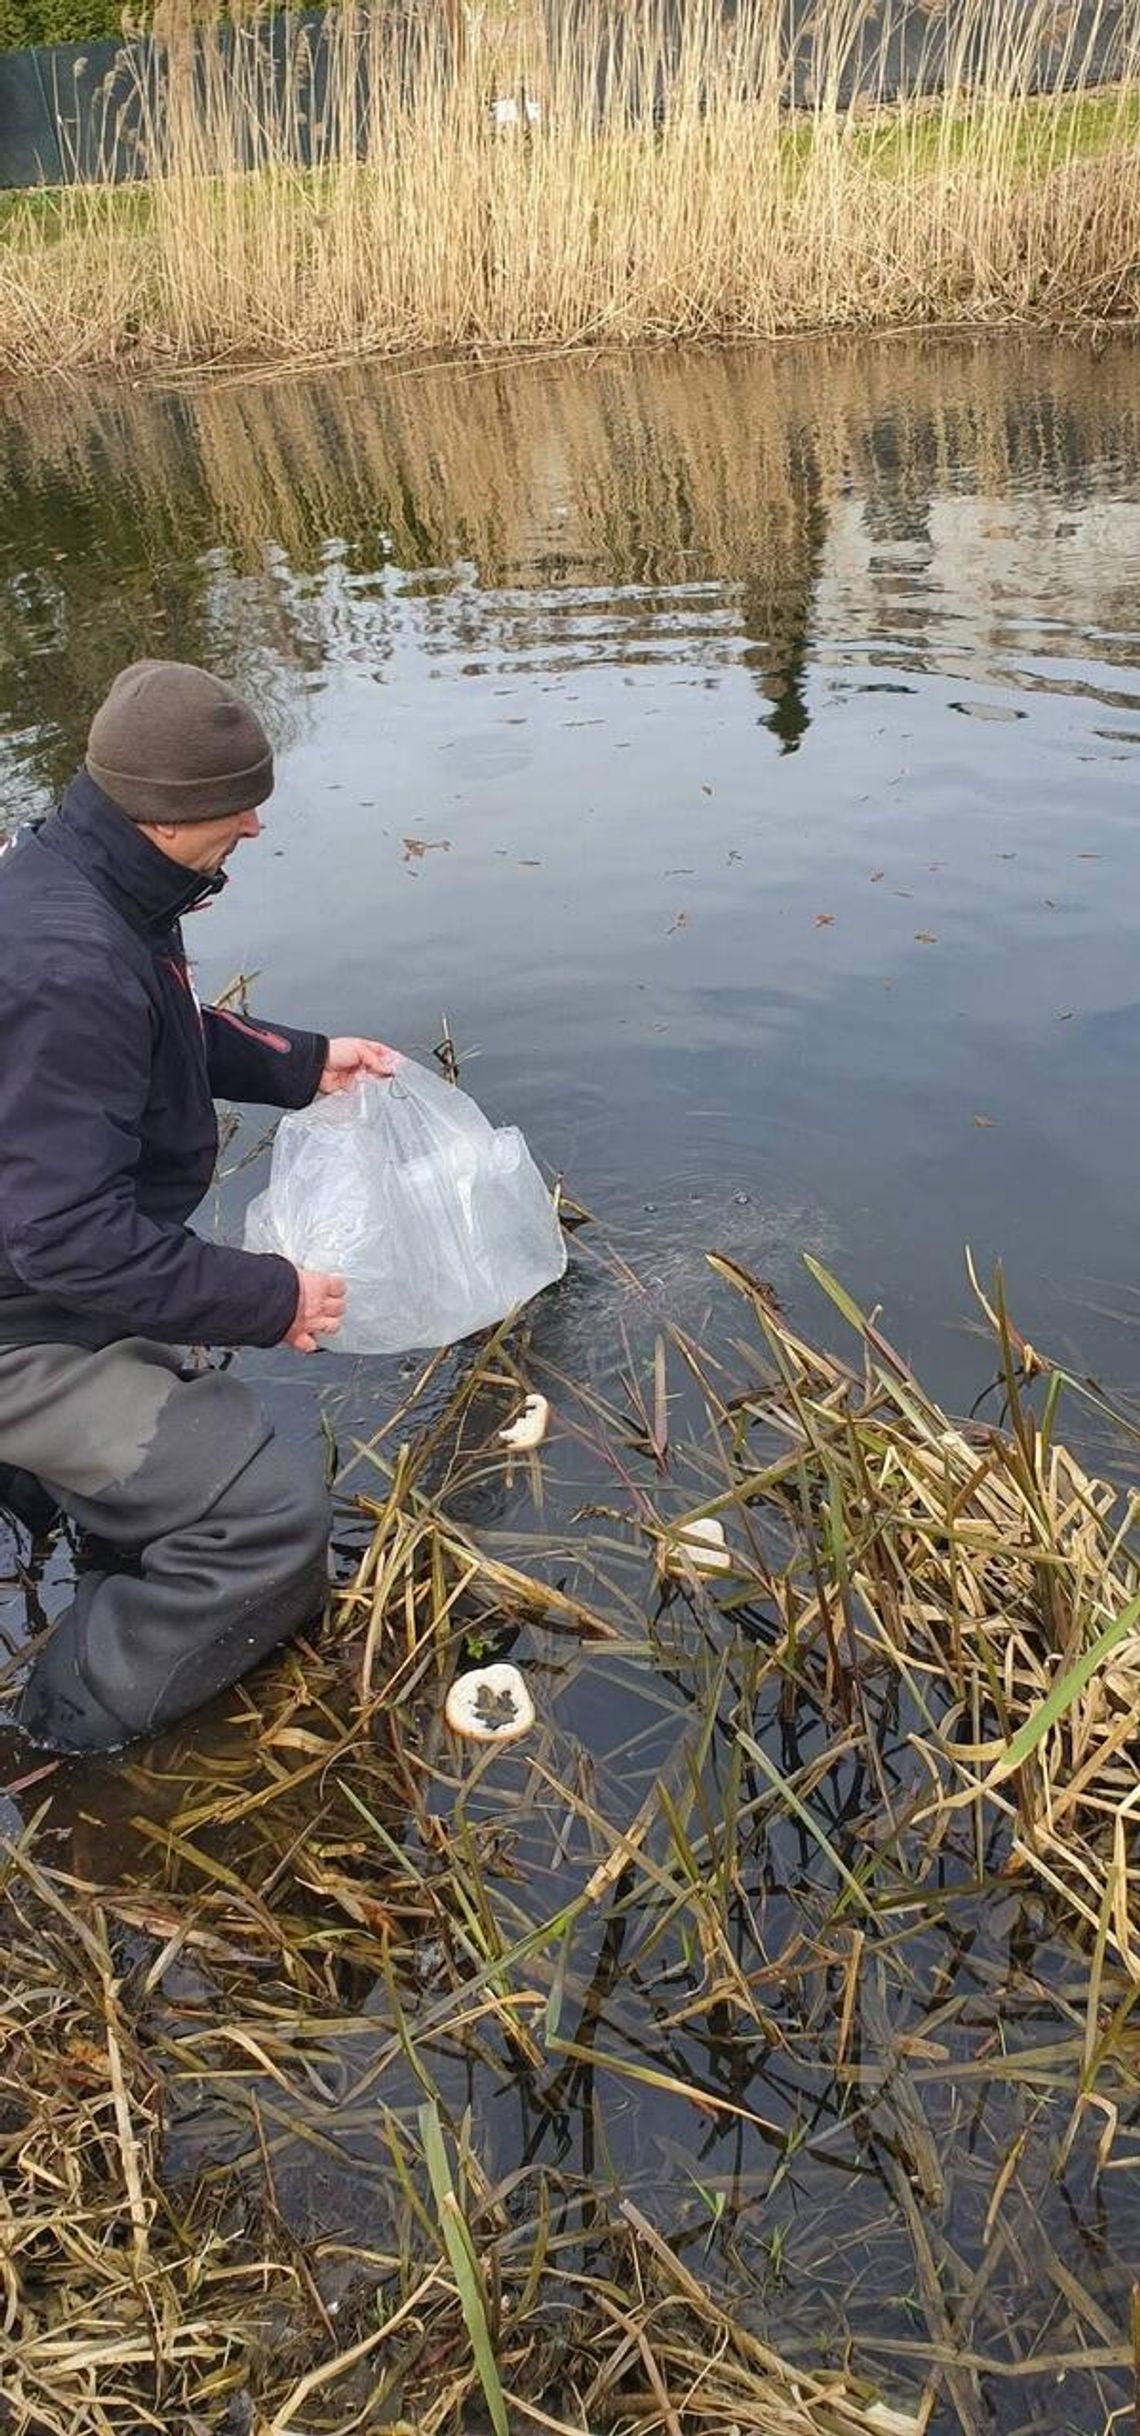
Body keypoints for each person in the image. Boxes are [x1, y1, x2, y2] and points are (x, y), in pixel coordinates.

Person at [0, 659, 395, 1755]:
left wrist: (305, 1062)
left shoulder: (86, 878)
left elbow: (158, 1032)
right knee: (266, 1520)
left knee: (185, 1401)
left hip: (34, 1271)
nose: (257, 823)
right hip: (22, 1315)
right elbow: (67, 1238)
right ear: (166, 817)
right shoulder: (68, 955)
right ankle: (66, 1730)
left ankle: (69, 1498)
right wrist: (272, 1298)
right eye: (236, 802)